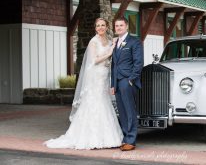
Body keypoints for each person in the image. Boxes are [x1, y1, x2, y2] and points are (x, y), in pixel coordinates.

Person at [44, 18, 123, 150]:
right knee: (94, 102)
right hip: (95, 76)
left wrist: (111, 50)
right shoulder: (94, 41)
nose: (100, 28)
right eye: (98, 26)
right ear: (95, 28)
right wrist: (109, 52)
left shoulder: (109, 41)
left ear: (107, 26)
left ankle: (107, 137)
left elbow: (110, 59)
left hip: (104, 76)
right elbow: (94, 60)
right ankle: (90, 137)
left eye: (103, 25)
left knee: (104, 101)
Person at [111, 16, 144, 151]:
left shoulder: (134, 42)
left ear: (126, 27)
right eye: (116, 26)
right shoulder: (115, 43)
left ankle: (131, 140)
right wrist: (113, 84)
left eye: (121, 25)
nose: (118, 28)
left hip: (127, 81)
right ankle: (125, 138)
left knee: (130, 111)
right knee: (122, 112)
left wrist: (131, 79)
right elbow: (113, 65)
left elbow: (138, 63)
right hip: (117, 82)